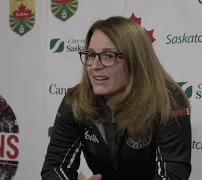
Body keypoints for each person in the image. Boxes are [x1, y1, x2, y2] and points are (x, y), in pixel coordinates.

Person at [41, 15, 192, 180]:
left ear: (135, 60)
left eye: (108, 56)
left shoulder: (168, 101)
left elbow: (171, 175)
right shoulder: (76, 100)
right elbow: (55, 167)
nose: (95, 66)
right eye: (91, 55)